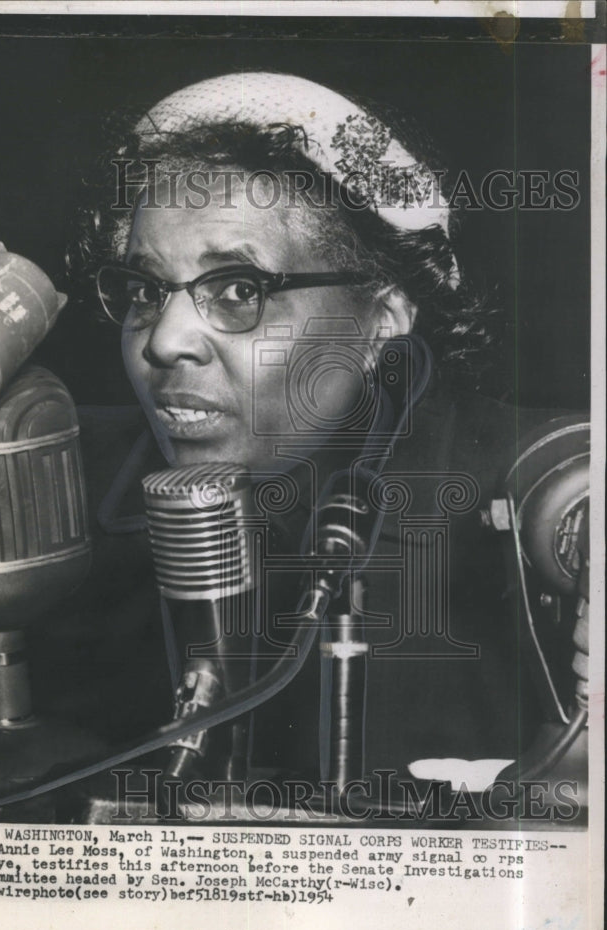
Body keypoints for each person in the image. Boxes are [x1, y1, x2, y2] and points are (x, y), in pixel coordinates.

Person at [31, 72, 563, 810]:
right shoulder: (85, 495)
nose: (164, 341)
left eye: (239, 288)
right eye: (147, 290)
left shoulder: (542, 487)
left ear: (383, 318)